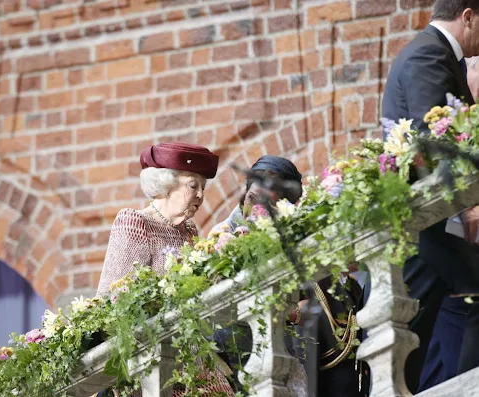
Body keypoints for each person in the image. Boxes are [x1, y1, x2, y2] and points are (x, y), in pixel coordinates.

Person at [210, 155, 370, 397]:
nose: (255, 210)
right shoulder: (221, 238)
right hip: (245, 353)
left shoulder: (296, 231)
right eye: (252, 198)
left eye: (267, 205)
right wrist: (289, 311)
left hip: (314, 349)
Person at [382, 0, 479, 392]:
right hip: (427, 223)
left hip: (431, 225)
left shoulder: (434, 53)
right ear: (469, 16)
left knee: (414, 332)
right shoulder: (429, 53)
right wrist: (468, 205)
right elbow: (434, 136)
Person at [96, 142, 234, 396]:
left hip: (193, 354)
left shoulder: (189, 231)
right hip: (151, 358)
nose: (201, 196)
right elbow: (112, 300)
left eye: (204, 188)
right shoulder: (136, 222)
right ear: (166, 184)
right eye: (193, 185)